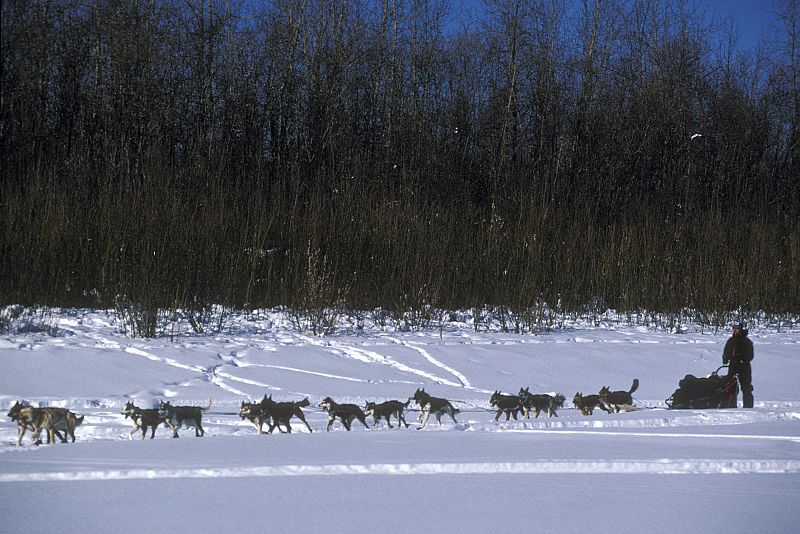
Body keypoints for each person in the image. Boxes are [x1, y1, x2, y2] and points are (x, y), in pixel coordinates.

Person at [722, 322, 754, 408]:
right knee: (730, 387)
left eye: (737, 329)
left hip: (744, 367)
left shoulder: (747, 341)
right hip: (733, 366)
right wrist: (725, 358)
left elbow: (750, 355)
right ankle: (730, 406)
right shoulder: (731, 340)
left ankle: (748, 407)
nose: (735, 330)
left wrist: (742, 359)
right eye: (734, 328)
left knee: (746, 388)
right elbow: (726, 351)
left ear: (740, 329)